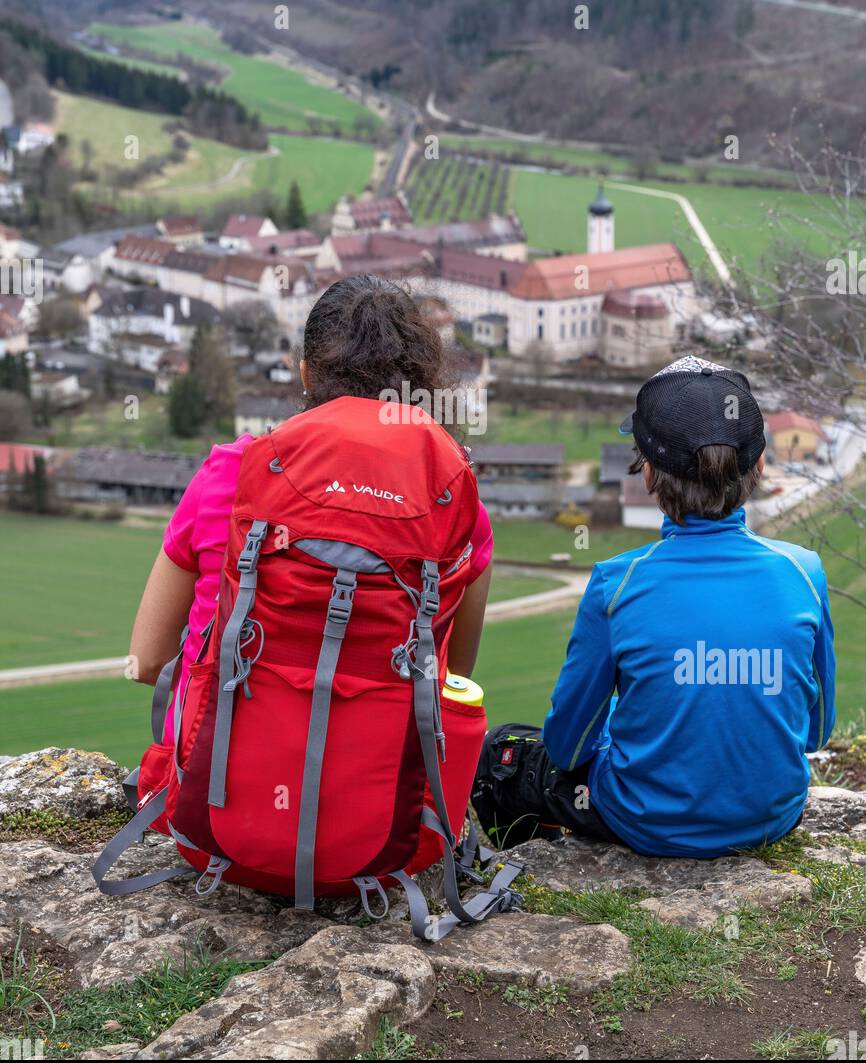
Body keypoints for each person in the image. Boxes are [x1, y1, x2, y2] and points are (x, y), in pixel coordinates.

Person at [472, 356, 836, 858]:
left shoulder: (615, 585)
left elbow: (568, 748)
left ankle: (527, 866)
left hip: (647, 822)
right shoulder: (805, 571)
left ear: (647, 474)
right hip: (773, 817)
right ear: (760, 465)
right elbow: (817, 730)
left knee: (502, 753)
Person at [129, 275, 493, 728]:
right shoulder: (456, 503)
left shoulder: (229, 472)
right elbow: (452, 677)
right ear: (421, 387)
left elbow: (146, 661)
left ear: (305, 374)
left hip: (214, 782)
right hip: (379, 789)